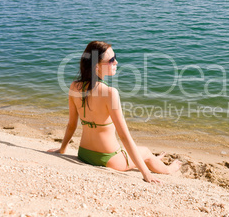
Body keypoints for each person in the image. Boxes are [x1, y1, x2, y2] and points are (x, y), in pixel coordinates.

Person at [48, 41, 181, 183]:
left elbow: (71, 124)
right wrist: (146, 174)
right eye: (111, 60)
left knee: (139, 153)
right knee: (147, 152)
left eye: (115, 57)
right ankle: (168, 169)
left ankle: (147, 160)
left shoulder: (74, 86)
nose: (116, 62)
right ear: (97, 66)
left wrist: (62, 149)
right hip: (109, 159)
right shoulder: (110, 93)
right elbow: (124, 136)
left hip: (84, 154)